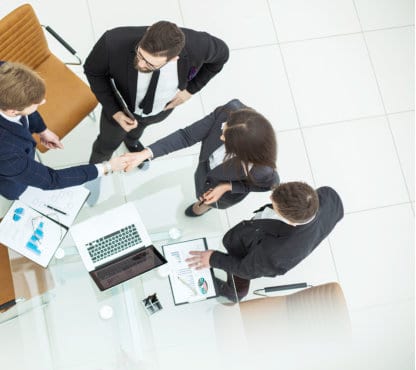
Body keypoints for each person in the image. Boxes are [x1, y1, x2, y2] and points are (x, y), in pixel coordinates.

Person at [84, 20, 229, 165]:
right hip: (121, 108)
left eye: (150, 64)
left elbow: (222, 55)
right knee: (106, 145)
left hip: (159, 110)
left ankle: (132, 142)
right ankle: (96, 169)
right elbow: (93, 71)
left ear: (173, 59)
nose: (140, 64)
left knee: (138, 131)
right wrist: (115, 111)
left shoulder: (199, 45)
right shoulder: (113, 41)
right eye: (139, 54)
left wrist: (191, 90)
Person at [186, 182, 344, 301]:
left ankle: (234, 293)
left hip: (251, 254)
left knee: (239, 281)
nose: (270, 198)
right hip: (259, 234)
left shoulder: (277, 254)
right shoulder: (328, 196)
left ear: (291, 222)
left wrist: (213, 258)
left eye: (275, 205)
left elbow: (245, 269)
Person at [123, 99, 279, 216]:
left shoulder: (263, 170)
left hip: (224, 194)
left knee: (211, 203)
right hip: (204, 171)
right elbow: (186, 136)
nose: (221, 137)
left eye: (227, 139)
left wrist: (227, 187)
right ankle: (202, 200)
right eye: (223, 129)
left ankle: (205, 207)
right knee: (200, 187)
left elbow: (267, 185)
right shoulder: (230, 111)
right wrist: (145, 154)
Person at [0, 62, 126, 201]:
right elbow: (52, 180)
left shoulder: (4, 73)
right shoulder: (6, 153)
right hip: (11, 181)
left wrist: (42, 130)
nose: (43, 101)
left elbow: (25, 109)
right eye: (36, 104)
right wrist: (107, 167)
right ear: (12, 111)